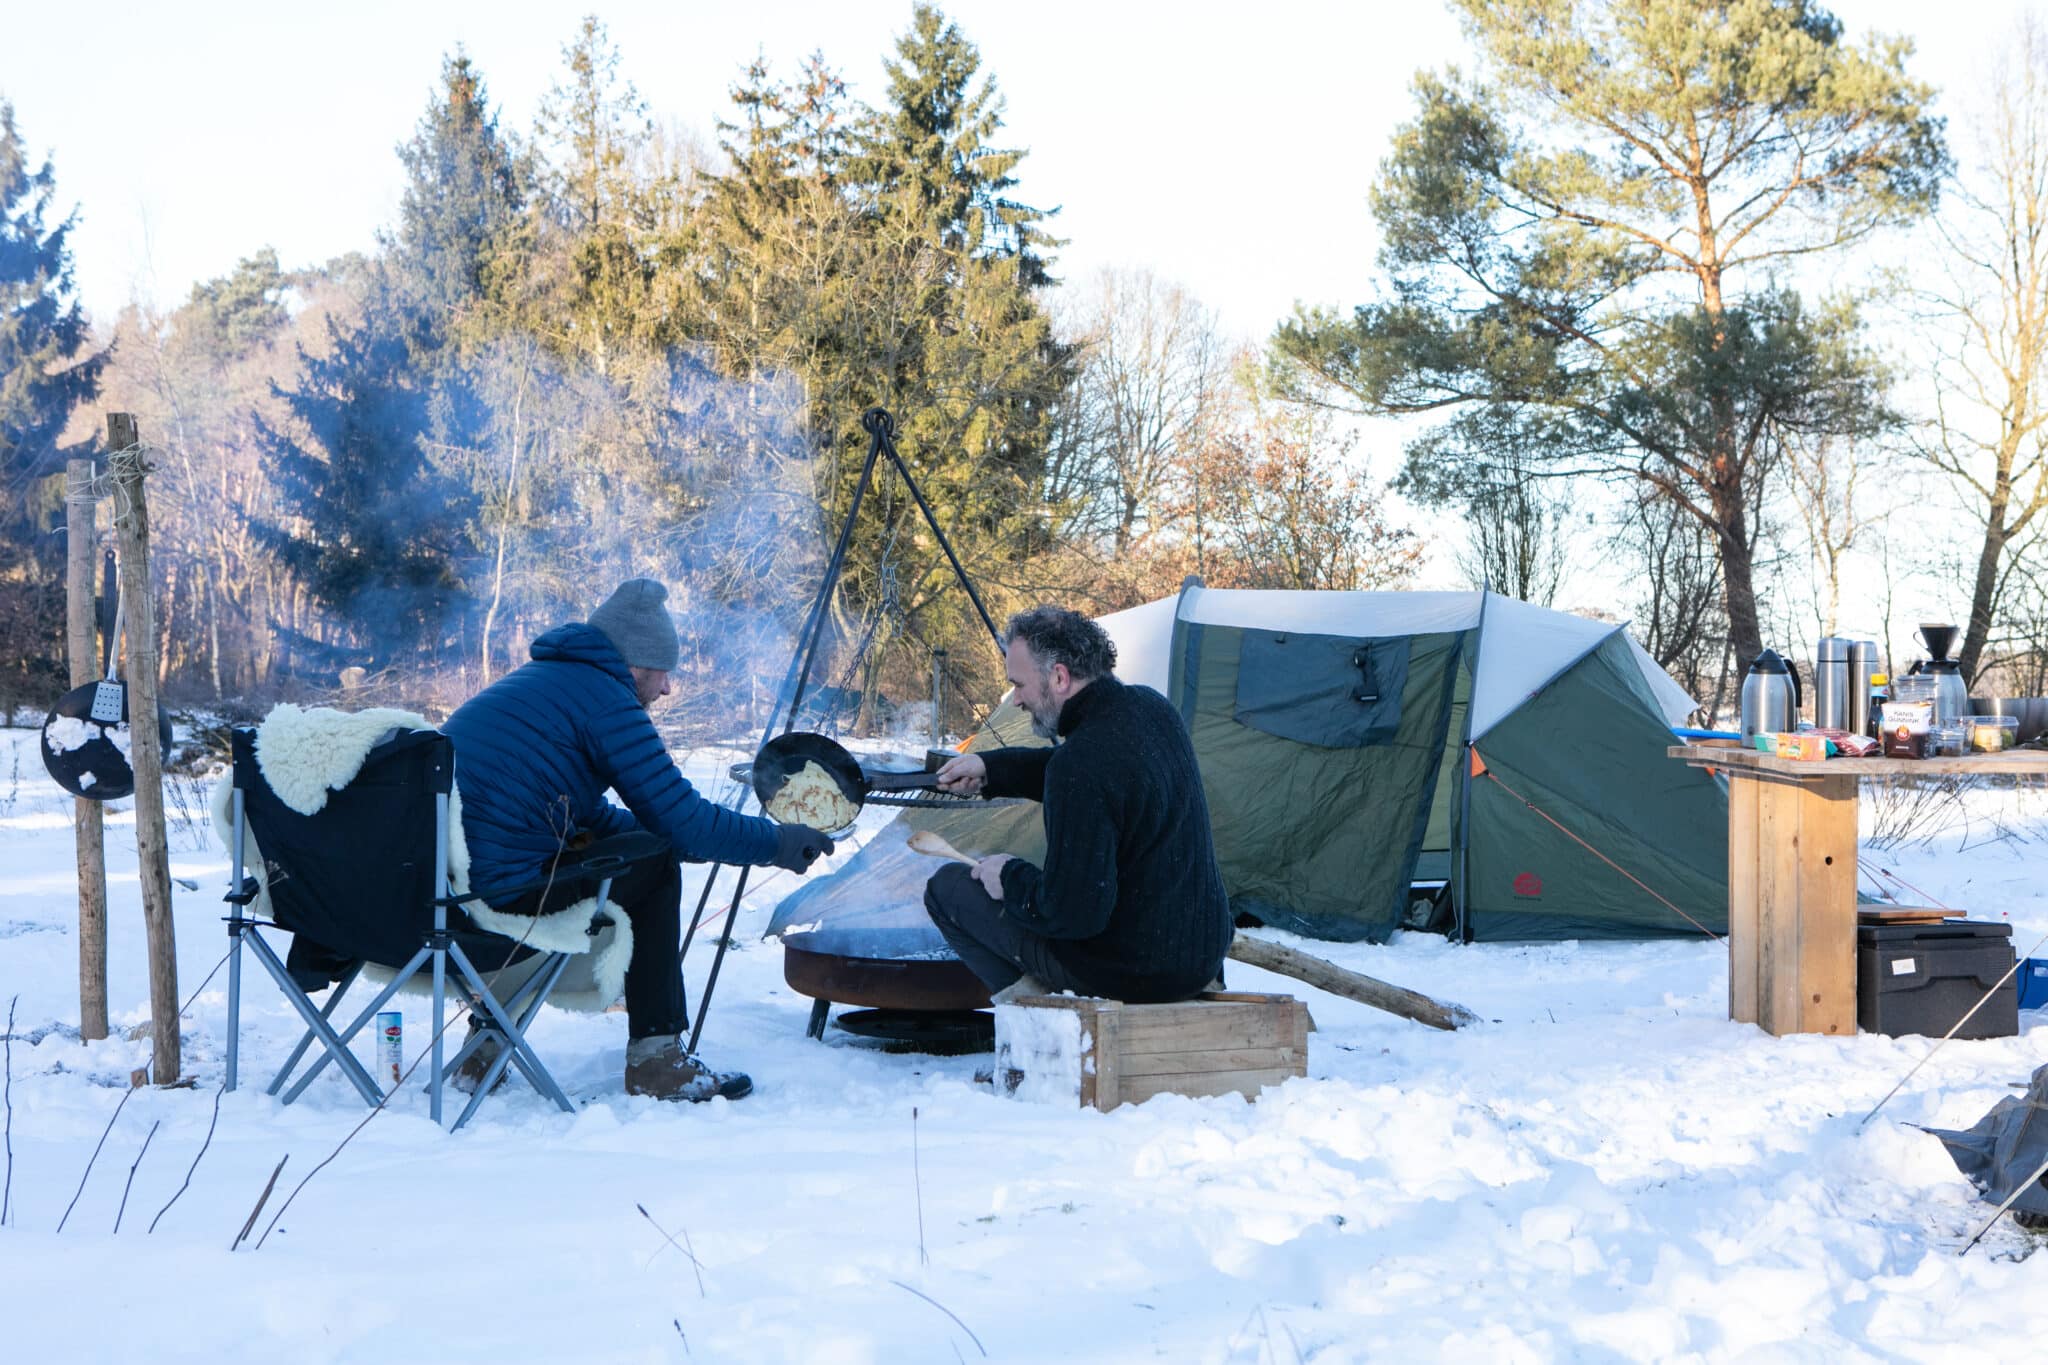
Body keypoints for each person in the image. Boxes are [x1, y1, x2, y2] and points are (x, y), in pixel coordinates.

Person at [443, 578, 836, 1102]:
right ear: (636, 666)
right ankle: (658, 1060)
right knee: (651, 871)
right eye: (663, 673)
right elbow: (683, 817)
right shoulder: (606, 699)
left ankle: (485, 1051)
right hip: (496, 901)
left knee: (650, 849)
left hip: (442, 895)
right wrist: (777, 844)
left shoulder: (540, 683)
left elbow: (584, 815)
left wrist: (674, 837)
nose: (667, 689)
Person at [922, 604, 1233, 1004]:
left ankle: (1041, 1021)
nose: (1016, 700)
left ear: (1059, 677)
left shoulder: (1082, 765)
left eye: (1019, 685)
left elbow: (1072, 913)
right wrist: (990, 768)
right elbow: (1093, 773)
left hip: (1135, 974)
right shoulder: (1151, 710)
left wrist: (1010, 878)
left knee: (946, 889)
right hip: (1198, 958)